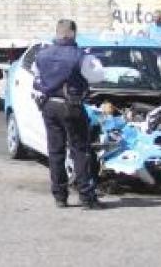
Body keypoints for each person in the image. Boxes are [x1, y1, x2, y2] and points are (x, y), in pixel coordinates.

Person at [33, 19, 106, 210]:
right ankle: (86, 197)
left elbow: (37, 78)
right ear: (73, 33)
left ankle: (60, 197)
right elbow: (98, 75)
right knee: (80, 151)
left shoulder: (42, 54)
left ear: (57, 32)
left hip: (49, 105)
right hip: (71, 106)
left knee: (55, 151)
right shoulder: (80, 56)